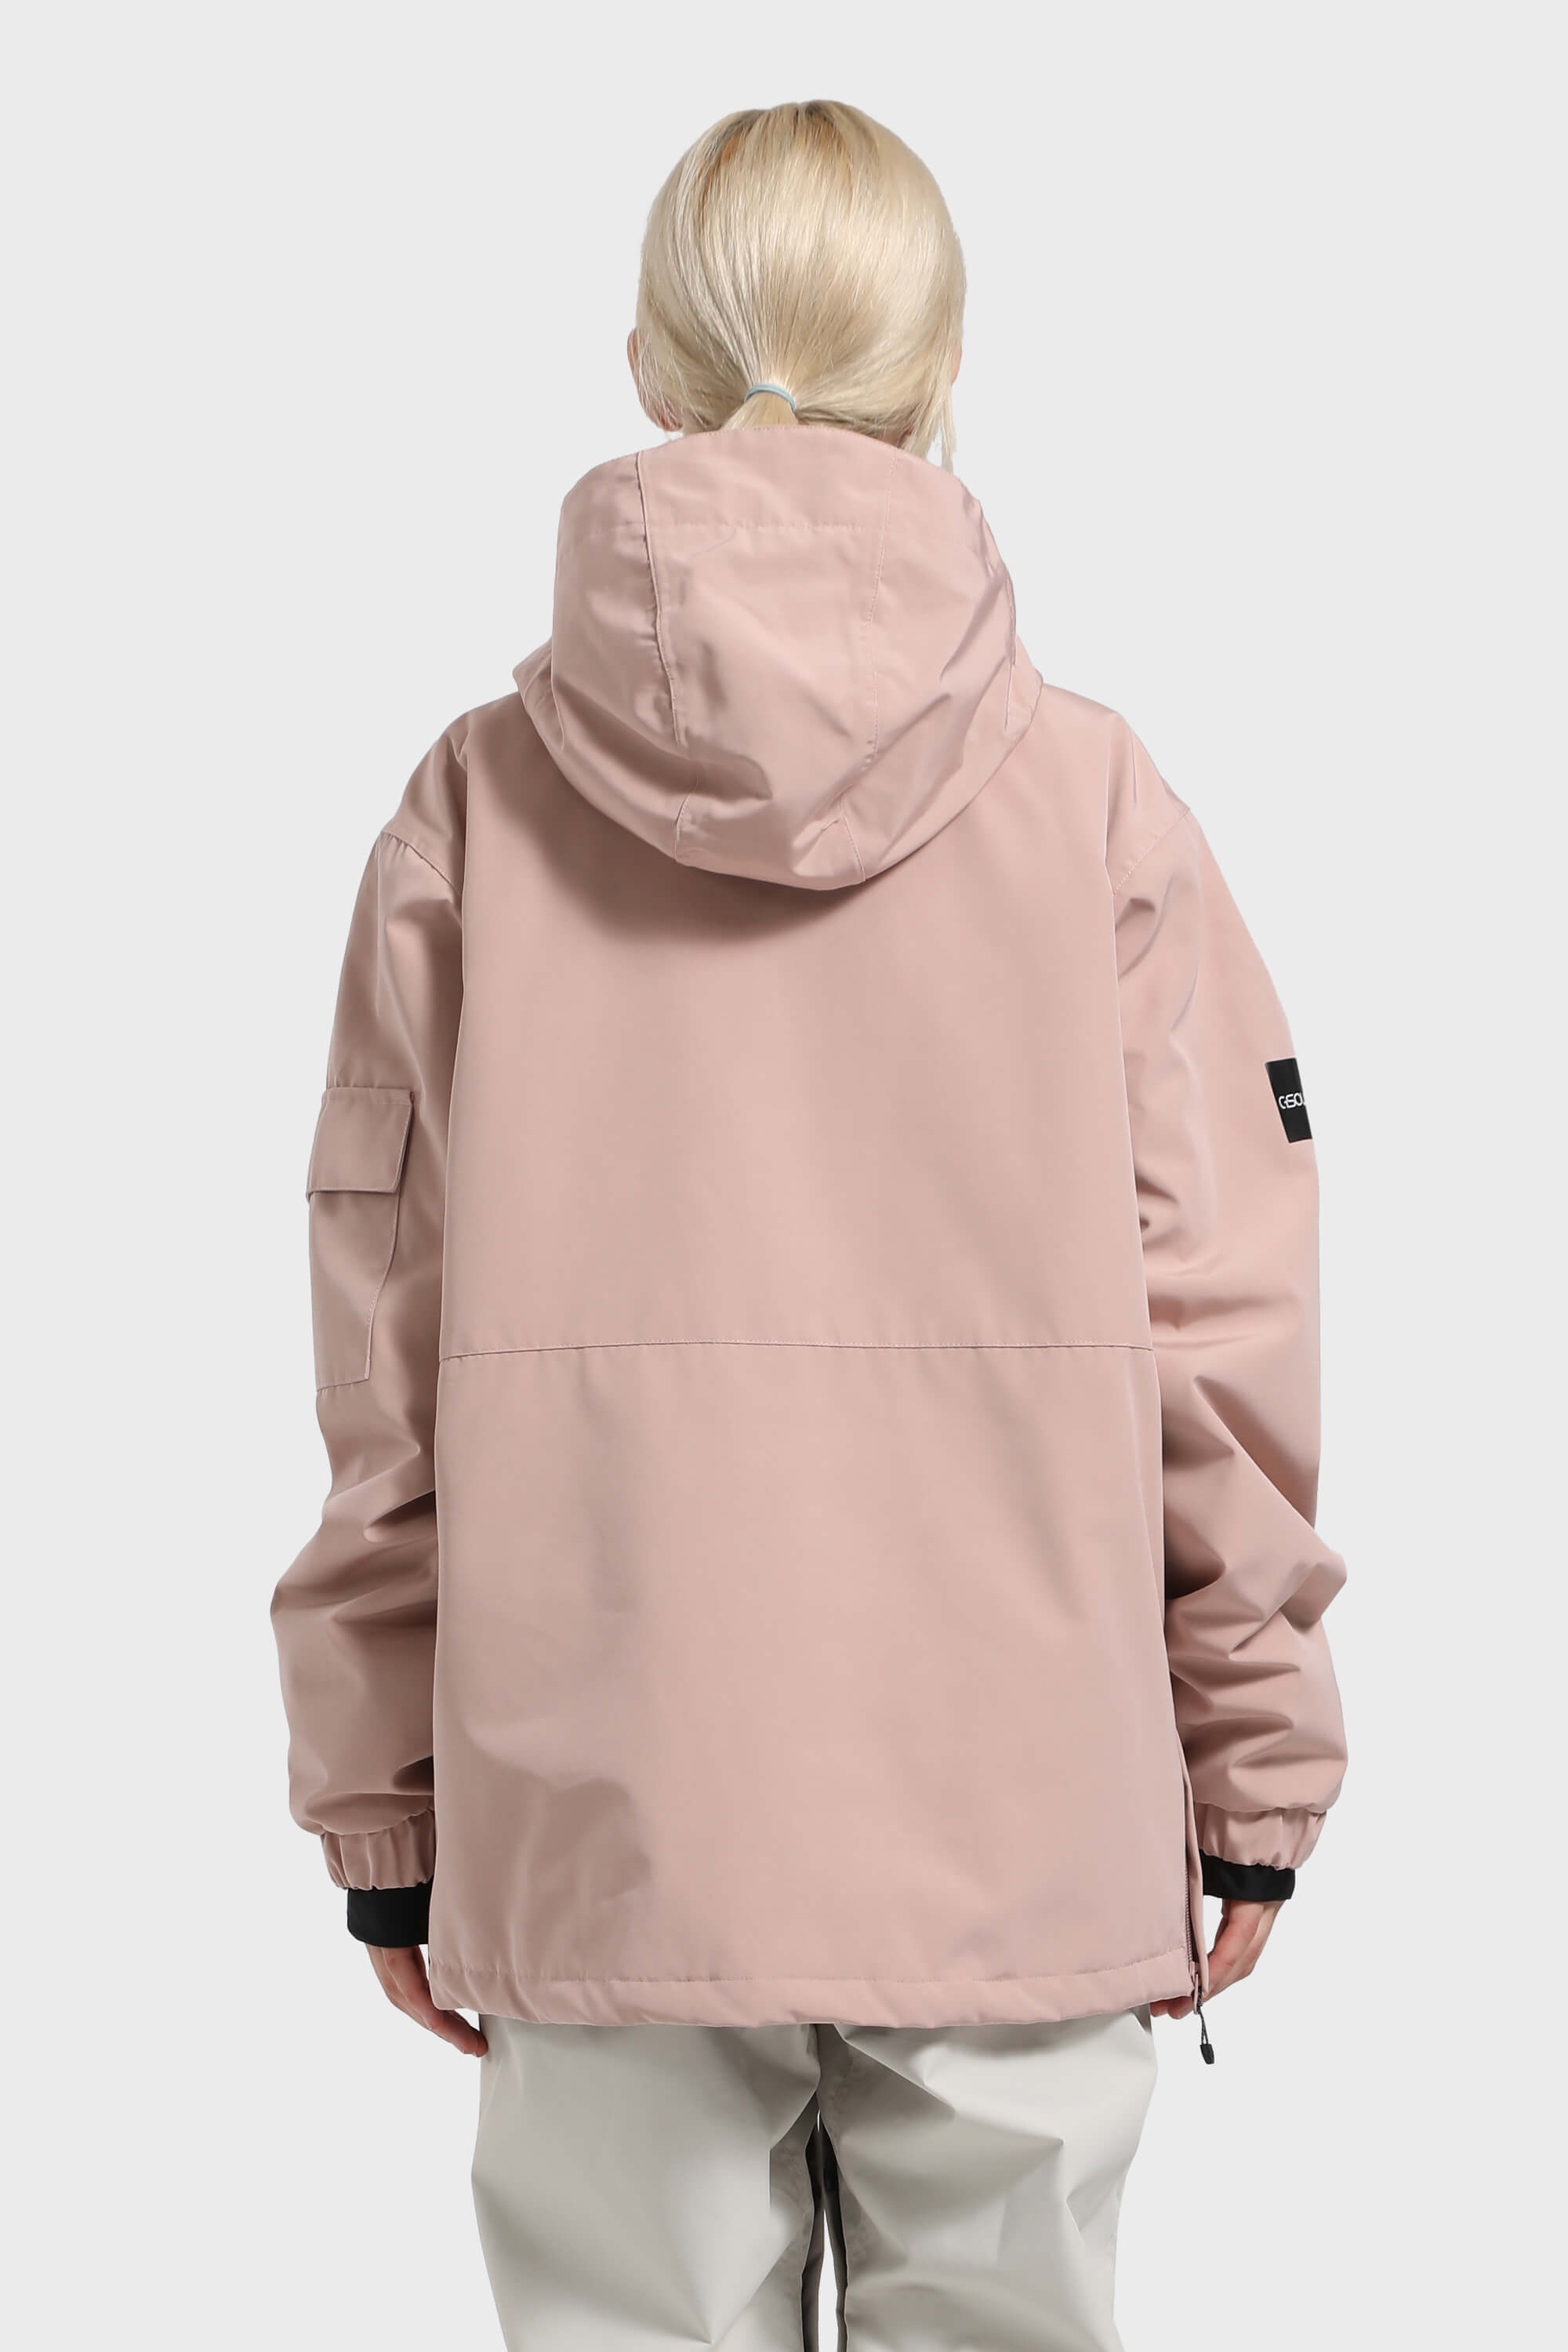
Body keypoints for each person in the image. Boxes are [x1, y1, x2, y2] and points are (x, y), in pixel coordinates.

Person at [272, 98, 1347, 2351]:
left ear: (647, 367)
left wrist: (383, 1799)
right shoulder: (1096, 801)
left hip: (606, 1811)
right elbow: (1220, 1324)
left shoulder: (471, 807)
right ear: (941, 372)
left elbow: (386, 1351)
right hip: (1020, 1822)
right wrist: (1255, 1760)